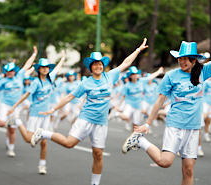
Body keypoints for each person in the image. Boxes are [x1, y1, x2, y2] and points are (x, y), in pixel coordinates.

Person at [122, 28, 211, 185]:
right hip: (175, 125)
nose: (182, 61)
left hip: (193, 128)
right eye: (180, 58)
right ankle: (140, 141)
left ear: (194, 60)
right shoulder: (171, 76)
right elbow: (159, 101)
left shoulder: (202, 72)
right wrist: (147, 124)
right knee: (165, 162)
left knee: (189, 170)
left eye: (186, 59)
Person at [29, 38, 149, 185]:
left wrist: (138, 50)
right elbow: (69, 97)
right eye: (95, 64)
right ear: (91, 67)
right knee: (69, 143)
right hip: (85, 119)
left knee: (98, 154)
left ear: (103, 65)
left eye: (100, 64)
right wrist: (53, 109)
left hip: (101, 122)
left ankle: (94, 183)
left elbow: (126, 63)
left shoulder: (110, 76)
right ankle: (43, 133)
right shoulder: (85, 83)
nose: (98, 66)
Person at [6, 51, 65, 174]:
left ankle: (42, 165)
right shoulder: (36, 82)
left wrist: (63, 57)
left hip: (46, 115)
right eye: (42, 68)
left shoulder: (51, 79)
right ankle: (16, 120)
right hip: (35, 113)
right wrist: (15, 106)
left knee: (44, 142)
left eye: (46, 67)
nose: (45, 69)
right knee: (29, 140)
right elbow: (26, 95)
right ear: (39, 69)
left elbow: (58, 68)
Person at [0, 46, 38, 157]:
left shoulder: (20, 76)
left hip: (15, 106)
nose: (10, 73)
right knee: (2, 123)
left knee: (12, 128)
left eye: (11, 71)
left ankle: (11, 148)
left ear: (14, 71)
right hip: (5, 104)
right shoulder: (3, 81)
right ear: (6, 72)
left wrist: (34, 54)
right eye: (8, 71)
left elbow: (27, 65)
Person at [116, 66, 164, 131]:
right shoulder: (127, 85)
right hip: (129, 104)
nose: (135, 76)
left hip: (138, 106)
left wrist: (159, 72)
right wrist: (119, 106)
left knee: (135, 125)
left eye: (136, 74)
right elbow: (123, 96)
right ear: (130, 76)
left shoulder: (141, 81)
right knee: (126, 117)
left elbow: (150, 77)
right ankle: (117, 114)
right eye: (133, 74)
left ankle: (133, 139)